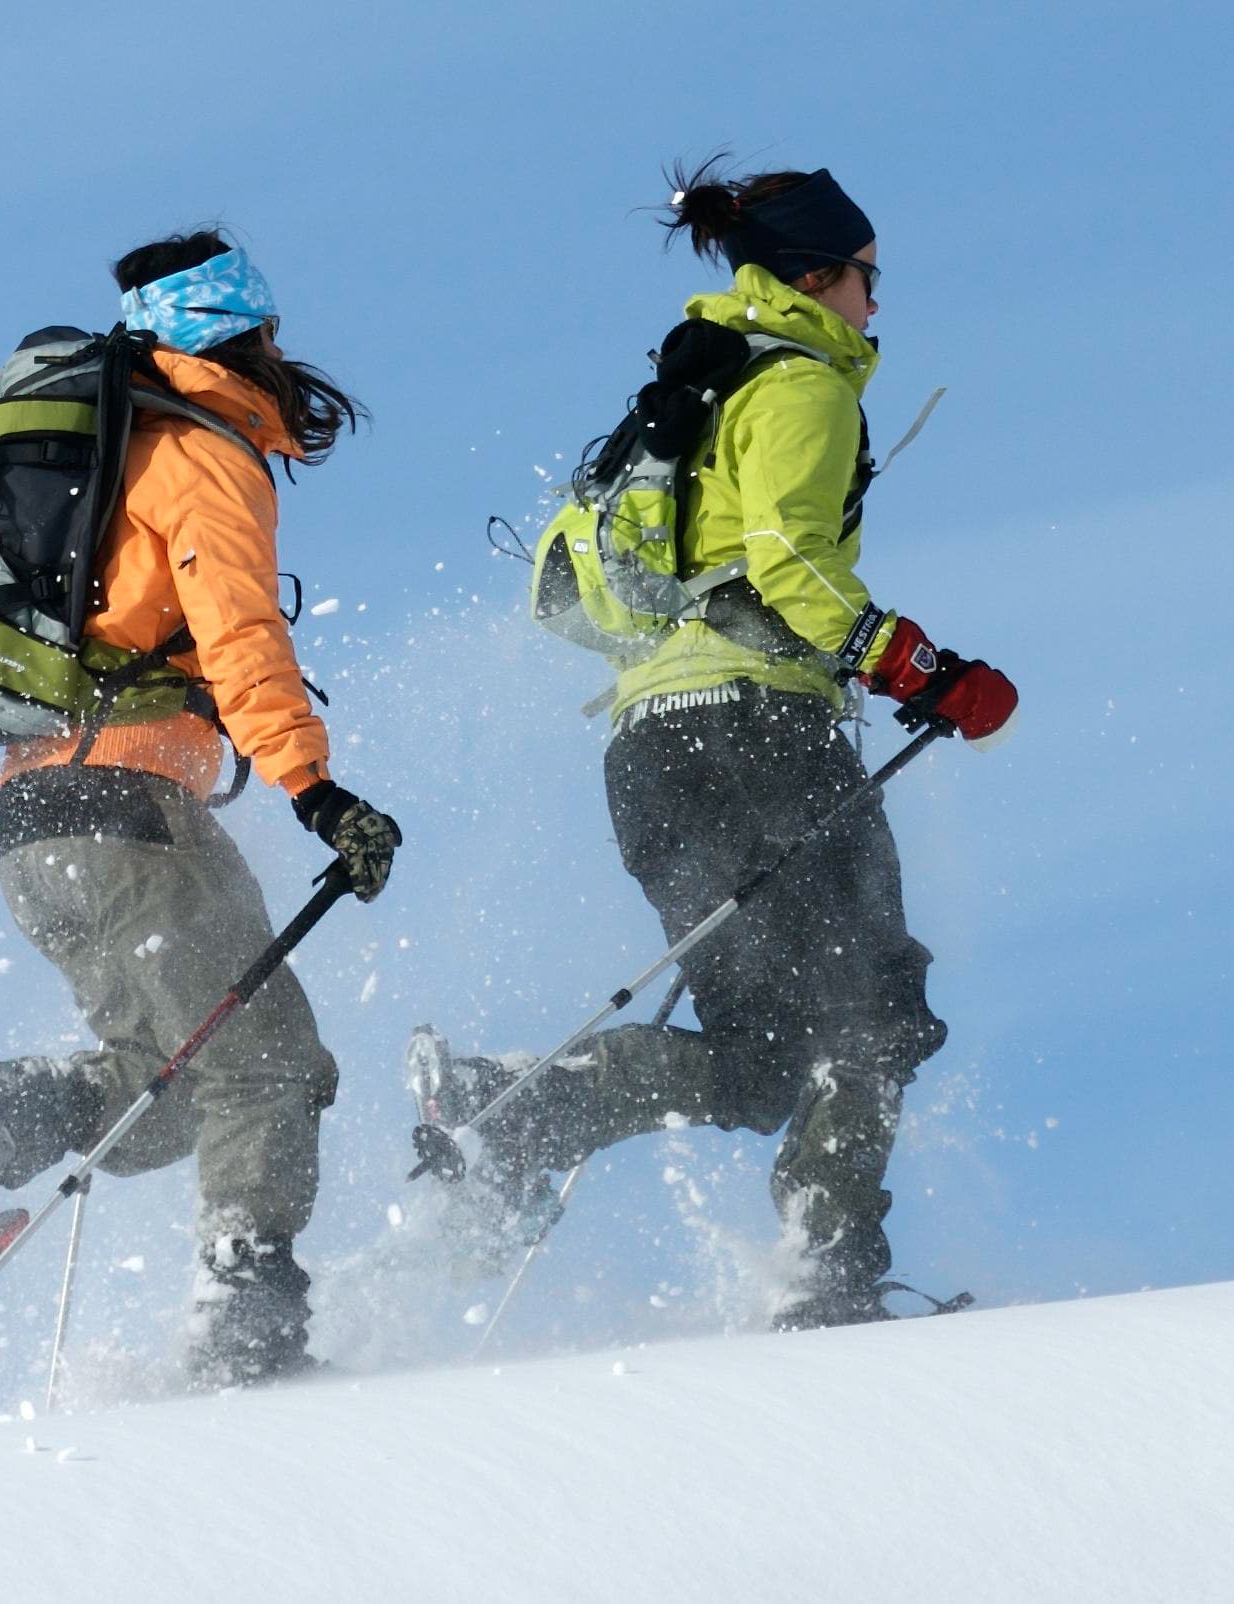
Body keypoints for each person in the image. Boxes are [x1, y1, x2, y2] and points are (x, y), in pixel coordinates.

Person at [413, 162, 1015, 1330]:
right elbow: (790, 562)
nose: (875, 304)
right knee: (873, 1008)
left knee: (758, 1054)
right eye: (867, 277)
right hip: (762, 732)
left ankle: (509, 1111)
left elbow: (564, 599)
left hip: (648, 746)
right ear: (815, 275)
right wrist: (920, 670)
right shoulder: (798, 385)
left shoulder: (679, 395)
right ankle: (824, 1269)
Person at [0, 231, 400, 1386]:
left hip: (34, 827)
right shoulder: (198, 452)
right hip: (131, 820)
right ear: (236, 333)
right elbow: (240, 632)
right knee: (268, 1066)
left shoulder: (109, 451)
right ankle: (244, 1318)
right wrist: (315, 789)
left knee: (167, 1075)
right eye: (266, 328)